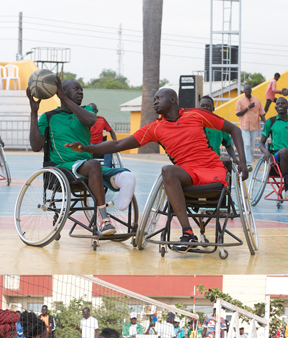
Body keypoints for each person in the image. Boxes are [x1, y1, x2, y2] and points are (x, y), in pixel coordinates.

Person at [66, 88, 248, 252]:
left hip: (211, 169)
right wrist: (85, 148)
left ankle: (189, 233)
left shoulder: (196, 115)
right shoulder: (155, 128)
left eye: (159, 98)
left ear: (173, 100)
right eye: (154, 99)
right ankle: (188, 233)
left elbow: (234, 129)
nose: (155, 101)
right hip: (187, 173)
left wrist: (241, 162)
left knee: (175, 170)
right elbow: (118, 143)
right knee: (168, 170)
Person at [28, 79, 136, 236]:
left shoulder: (86, 111)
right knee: (94, 165)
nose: (81, 92)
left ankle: (122, 183)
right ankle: (103, 218)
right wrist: (33, 112)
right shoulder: (49, 117)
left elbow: (91, 121)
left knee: (123, 174)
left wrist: (64, 98)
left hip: (86, 166)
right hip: (62, 168)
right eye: (76, 89)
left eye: (81, 89)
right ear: (61, 92)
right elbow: (36, 146)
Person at [199, 96, 239, 166]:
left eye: (208, 106)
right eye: (202, 106)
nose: (205, 108)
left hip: (215, 162)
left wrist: (234, 158)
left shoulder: (220, 125)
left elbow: (228, 145)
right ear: (199, 108)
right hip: (197, 162)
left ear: (213, 108)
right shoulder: (193, 124)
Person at [236, 84, 266, 164]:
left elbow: (262, 113)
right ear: (244, 91)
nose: (247, 91)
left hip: (254, 126)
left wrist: (266, 123)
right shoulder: (240, 101)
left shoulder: (257, 100)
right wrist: (248, 107)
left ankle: (250, 160)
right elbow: (238, 113)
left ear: (251, 90)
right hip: (244, 126)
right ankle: (248, 163)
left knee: (252, 146)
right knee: (247, 144)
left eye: (249, 89)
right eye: (246, 90)